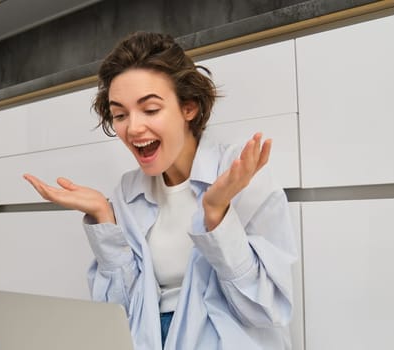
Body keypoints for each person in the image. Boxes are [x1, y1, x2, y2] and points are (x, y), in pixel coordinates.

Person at [23, 31, 297, 350]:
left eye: (150, 110)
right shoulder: (128, 190)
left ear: (189, 108)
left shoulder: (239, 173)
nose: (134, 128)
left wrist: (217, 215)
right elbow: (119, 314)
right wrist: (103, 218)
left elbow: (267, 310)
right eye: (120, 115)